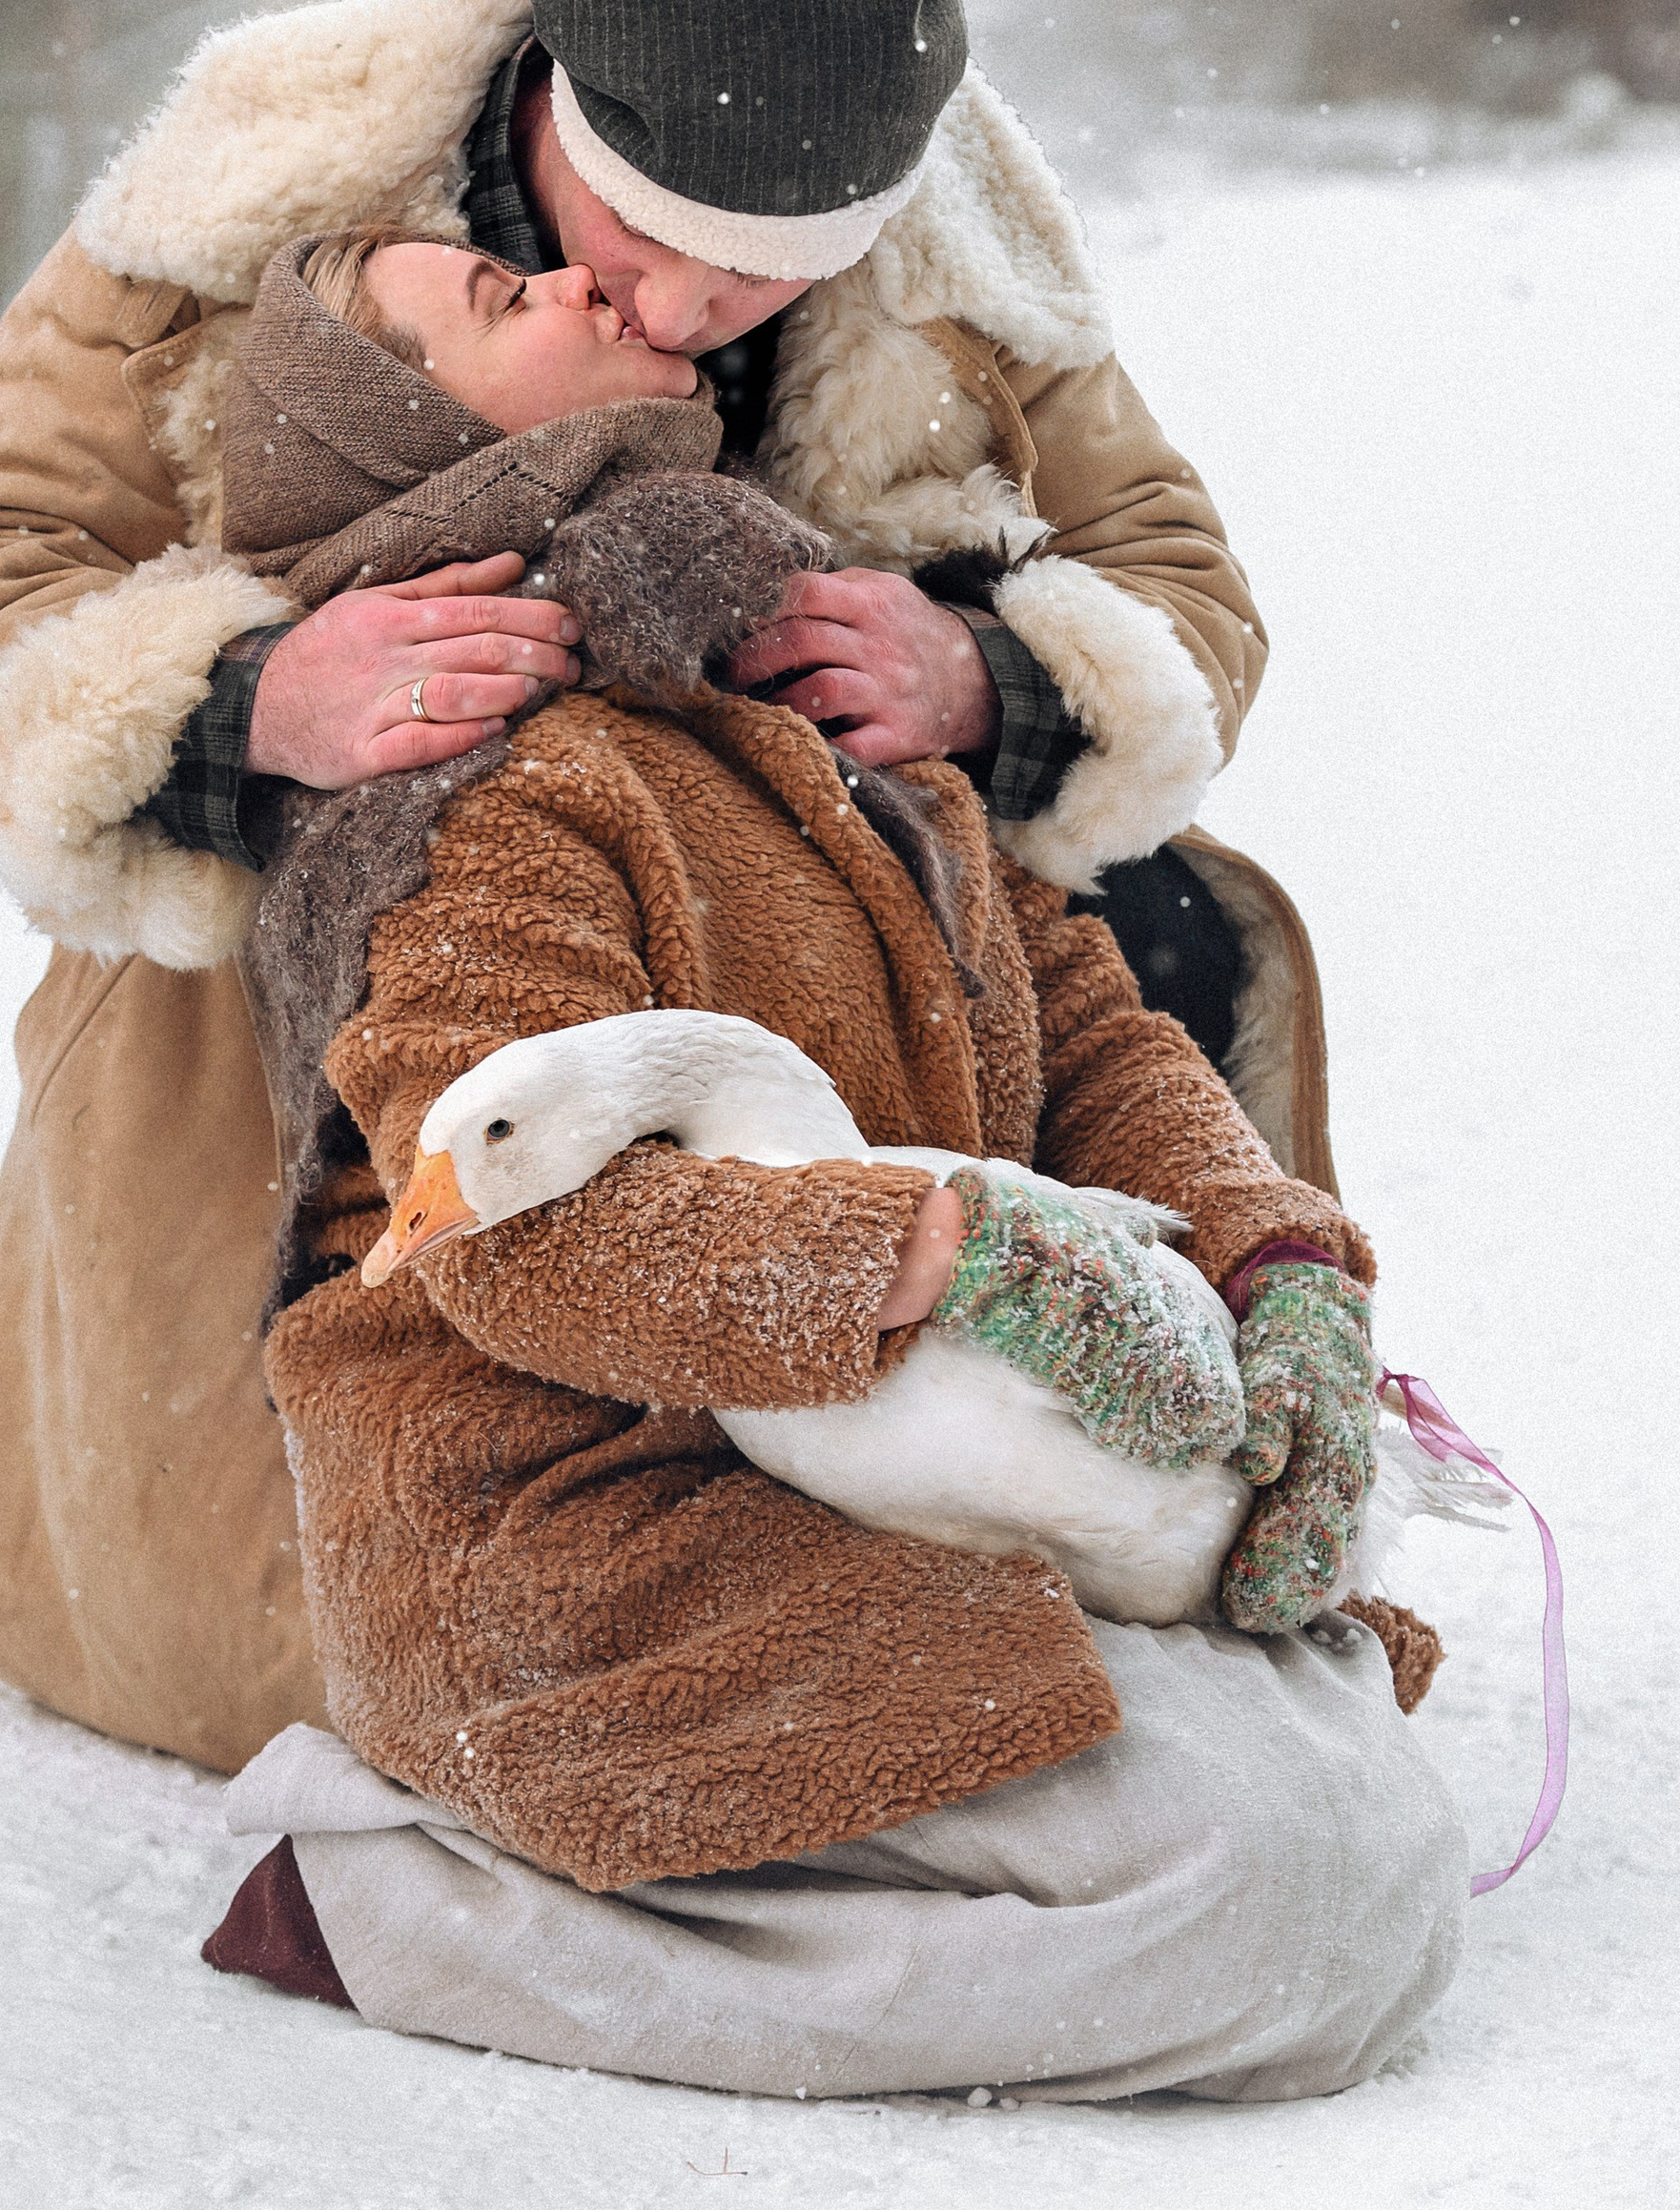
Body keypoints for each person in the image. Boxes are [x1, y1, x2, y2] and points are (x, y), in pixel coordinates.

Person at [0, 0, 1328, 1777]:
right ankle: (480, 1591)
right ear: (556, 93)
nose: (685, 304)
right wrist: (248, 706)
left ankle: (1165, 1448)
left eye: (767, 271)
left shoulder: (953, 230)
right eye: (641, 236)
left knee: (1166, 943)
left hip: (796, 893)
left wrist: (988, 674)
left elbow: (1177, 581)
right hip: (362, 913)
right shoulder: (262, 179)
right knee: (323, 1538)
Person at [194, 229, 1463, 2099]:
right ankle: (403, 1907)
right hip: (588, 1536)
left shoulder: (811, 690)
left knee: (1360, 1820)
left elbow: (1097, 1033)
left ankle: (918, 1870)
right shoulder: (459, 783)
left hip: (883, 1469)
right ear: (402, 431)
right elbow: (502, 1237)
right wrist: (935, 1253)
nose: (562, 283)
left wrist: (1279, 1273)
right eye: (489, 300)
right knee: (1294, 1908)